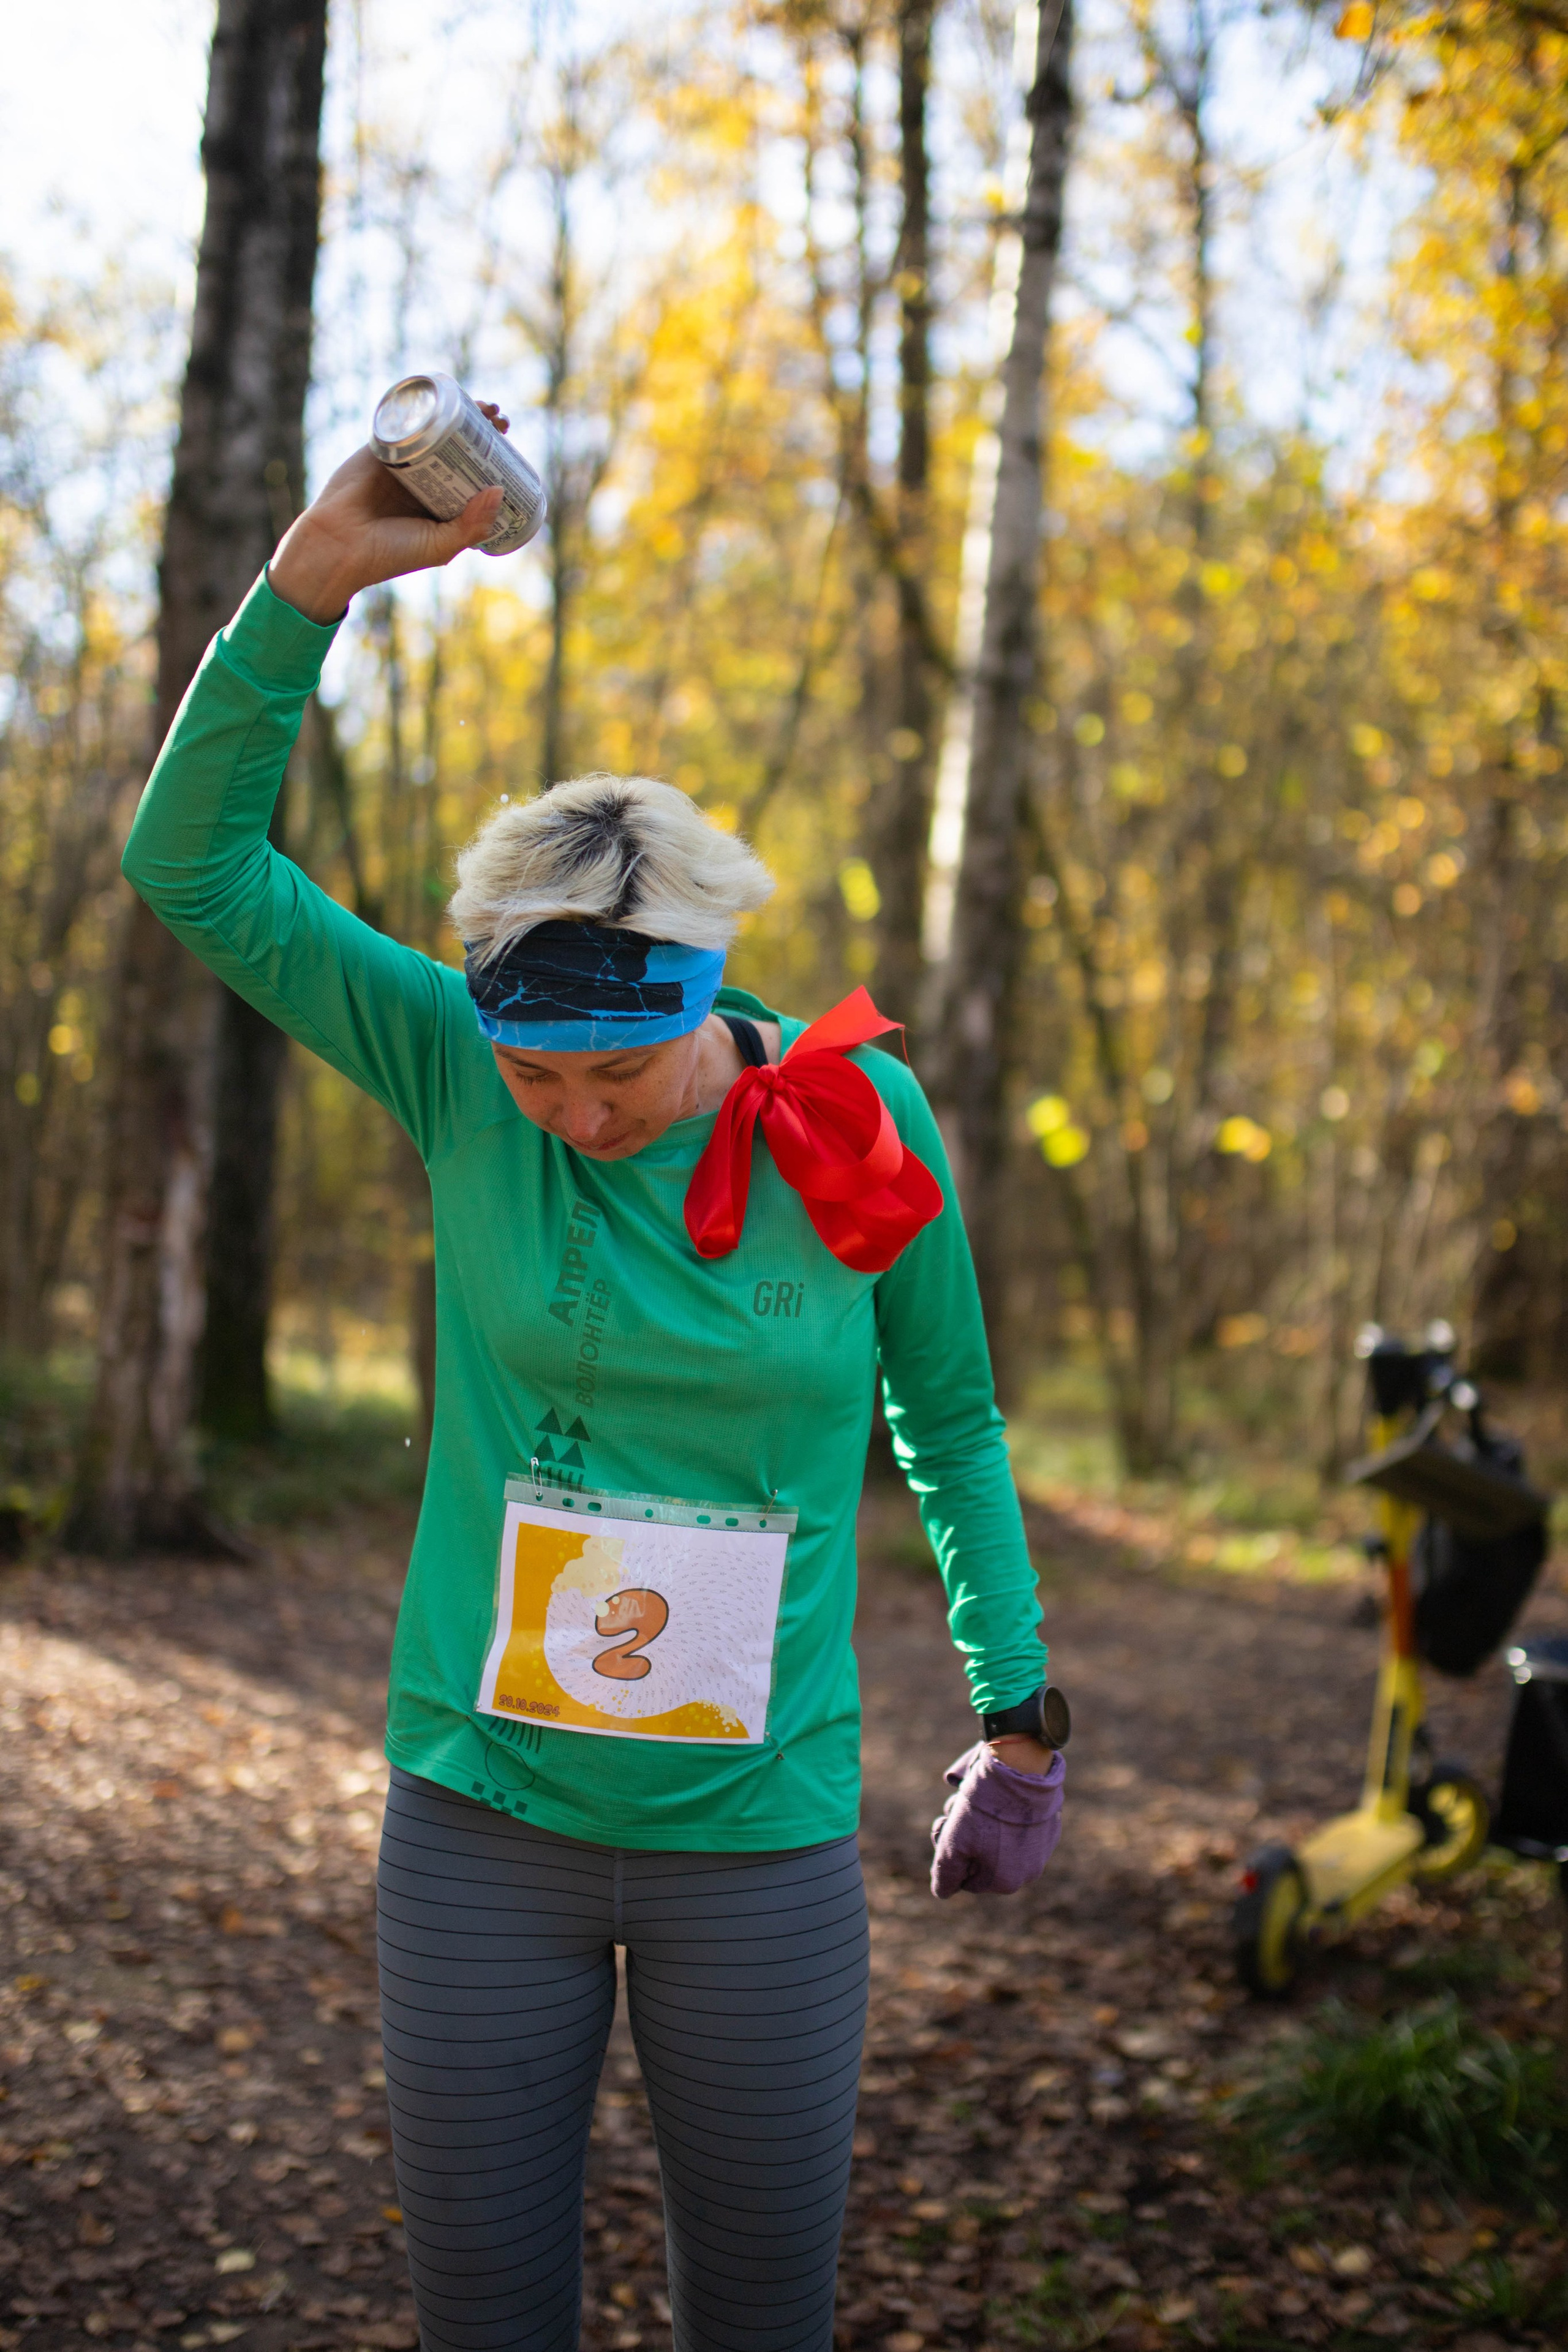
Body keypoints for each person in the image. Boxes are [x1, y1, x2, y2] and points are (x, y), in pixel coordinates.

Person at [121, 414, 1066, 2352]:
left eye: (609, 1081)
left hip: (762, 1838)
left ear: (698, 1003)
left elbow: (947, 1423)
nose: (566, 1113)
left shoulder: (856, 1126)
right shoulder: (464, 1071)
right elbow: (193, 872)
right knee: (483, 2311)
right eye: (533, 1076)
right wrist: (312, 582)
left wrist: (1019, 1700)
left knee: (761, 2314)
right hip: (482, 1822)